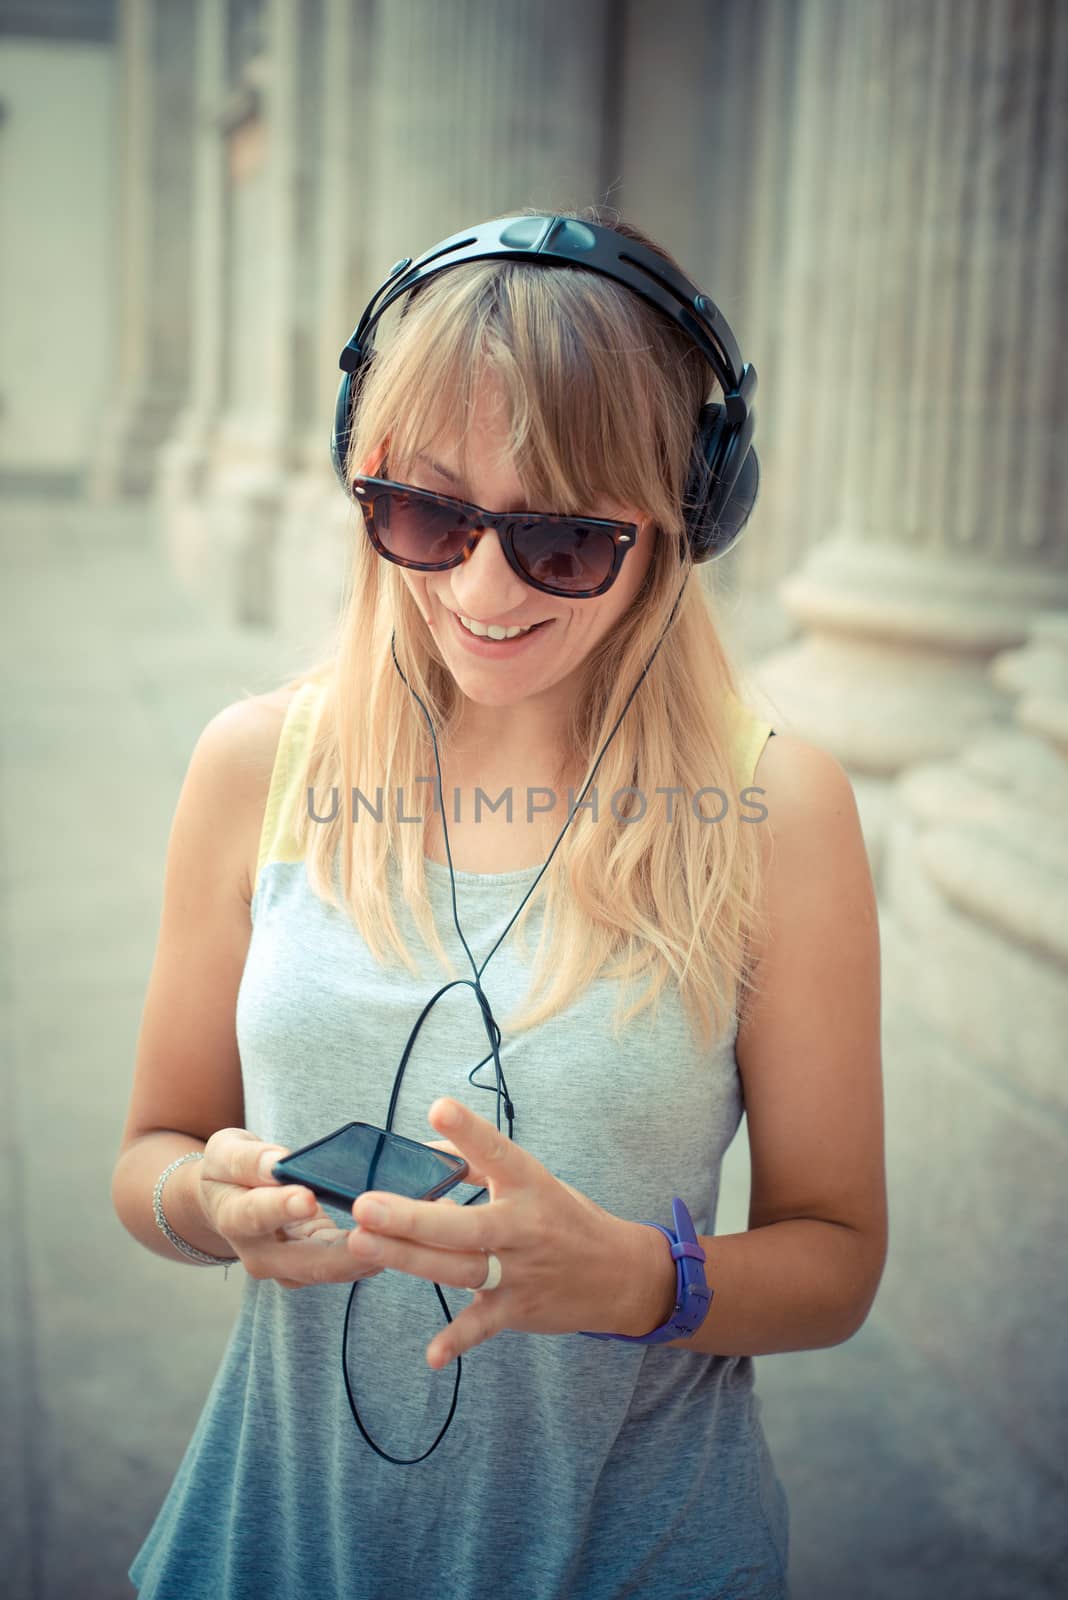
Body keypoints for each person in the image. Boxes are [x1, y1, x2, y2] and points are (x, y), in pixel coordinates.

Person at [112, 203, 887, 1600]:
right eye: (426, 511)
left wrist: (641, 1282)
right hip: (274, 1551)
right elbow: (149, 1156)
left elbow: (836, 1262)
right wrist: (202, 1202)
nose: (480, 588)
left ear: (685, 518)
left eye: (563, 540)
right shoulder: (255, 764)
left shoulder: (780, 811)